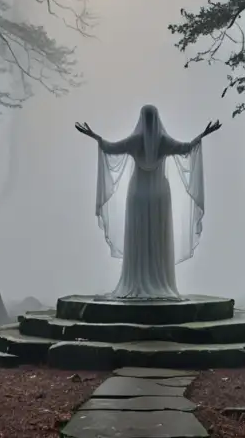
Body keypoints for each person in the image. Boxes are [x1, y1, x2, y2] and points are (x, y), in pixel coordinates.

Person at [75, 105, 222, 300]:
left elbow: (110, 148)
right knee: (157, 236)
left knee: (139, 234)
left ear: (141, 120)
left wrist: (94, 136)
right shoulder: (163, 142)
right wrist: (204, 134)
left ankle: (136, 279)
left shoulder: (135, 141)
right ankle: (160, 281)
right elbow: (186, 148)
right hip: (160, 193)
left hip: (137, 193)